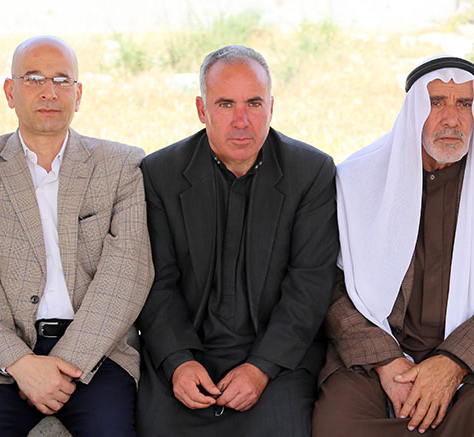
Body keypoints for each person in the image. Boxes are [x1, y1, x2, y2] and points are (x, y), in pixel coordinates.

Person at [313, 56, 474, 436]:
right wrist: (386, 361)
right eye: (436, 103)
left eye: (464, 104)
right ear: (413, 110)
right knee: (339, 425)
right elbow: (334, 289)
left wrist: (452, 363)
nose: (452, 119)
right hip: (378, 350)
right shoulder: (360, 178)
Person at [0, 36, 153, 436]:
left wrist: (66, 363)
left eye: (61, 80)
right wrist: (20, 362)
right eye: (34, 79)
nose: (49, 92)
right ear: (10, 91)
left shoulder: (121, 165)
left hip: (97, 352)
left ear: (78, 94)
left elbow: (128, 272)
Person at [136, 45, 338, 436]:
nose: (242, 121)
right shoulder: (161, 174)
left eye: (254, 103)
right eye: (226, 104)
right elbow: (156, 282)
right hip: (186, 349)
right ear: (202, 109)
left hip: (277, 356)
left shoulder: (311, 173)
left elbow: (310, 285)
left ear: (271, 107)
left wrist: (261, 367)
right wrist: (178, 362)